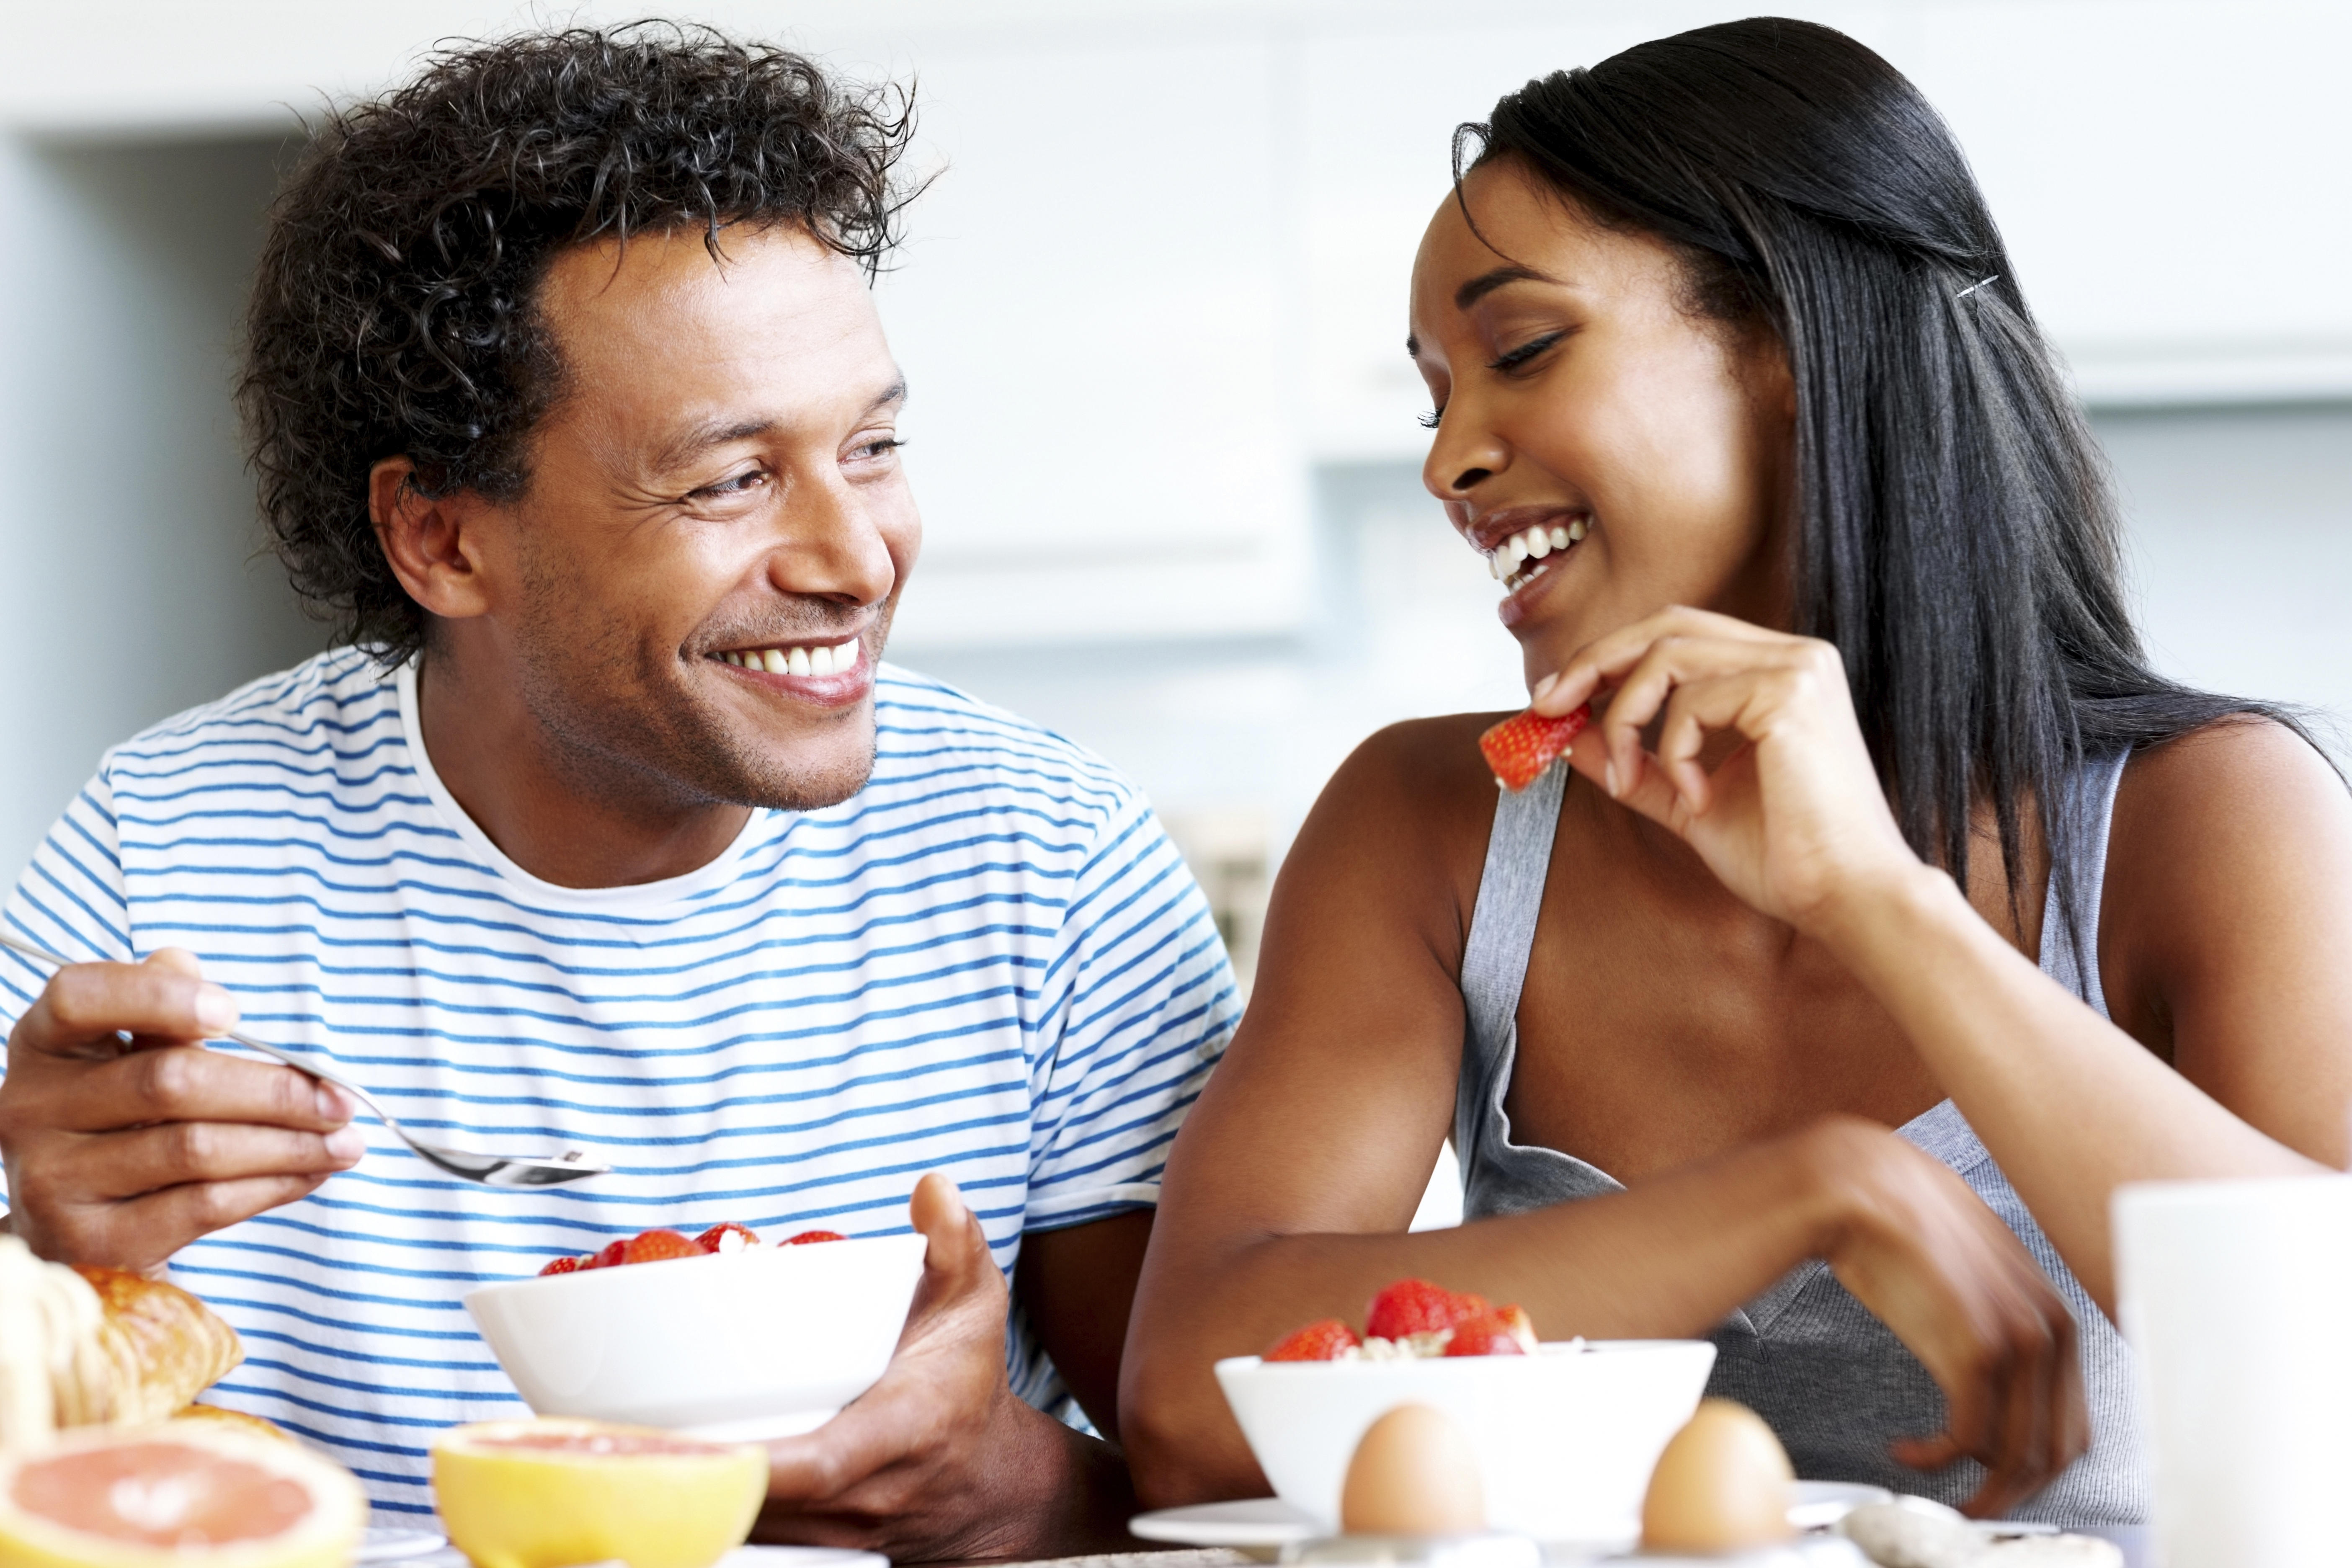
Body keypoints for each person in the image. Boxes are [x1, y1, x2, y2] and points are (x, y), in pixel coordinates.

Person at [0, 25, 1237, 1558]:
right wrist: (35, 1255)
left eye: (873, 446)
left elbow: (1241, 1499)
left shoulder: (1046, 860)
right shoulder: (166, 854)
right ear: (443, 539)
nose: (856, 559)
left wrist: (1005, 1489)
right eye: (730, 478)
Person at [1121, 17, 2352, 1531]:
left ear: (1791, 342)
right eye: (1435, 394)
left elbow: (2335, 1368)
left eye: (1521, 353)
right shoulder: (1431, 827)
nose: (1449, 461)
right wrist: (1801, 1191)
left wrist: (1876, 901)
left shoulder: (2207, 816)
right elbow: (1186, 1401)